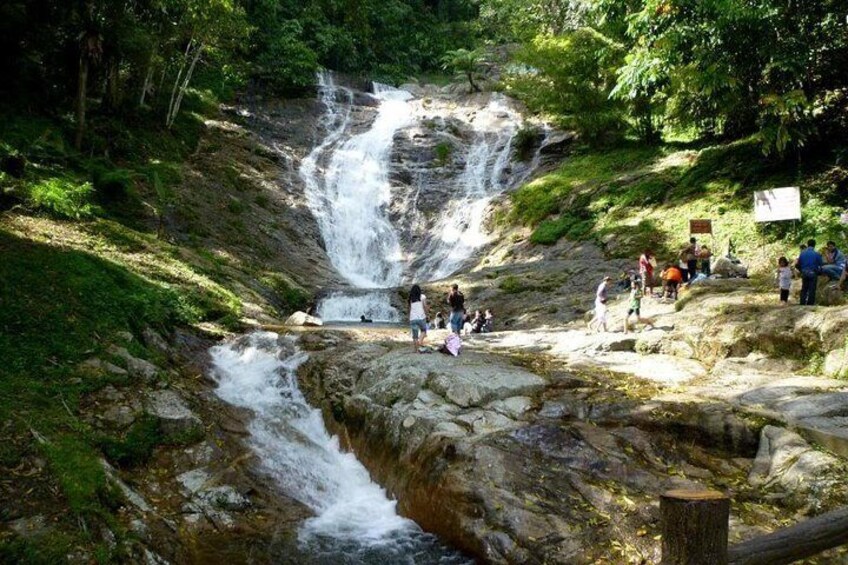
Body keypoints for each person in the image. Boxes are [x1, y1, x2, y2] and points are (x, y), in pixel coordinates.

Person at [796, 239, 823, 305]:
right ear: (814, 245)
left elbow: (798, 263)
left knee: (804, 288)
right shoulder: (816, 254)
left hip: (804, 272)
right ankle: (810, 303)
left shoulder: (802, 253)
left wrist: (801, 270)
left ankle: (802, 302)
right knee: (812, 288)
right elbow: (821, 264)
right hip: (813, 272)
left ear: (807, 244)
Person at [408, 284, 429, 352]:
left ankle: (416, 350)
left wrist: (409, 317)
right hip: (421, 317)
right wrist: (427, 314)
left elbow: (410, 309)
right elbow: (425, 306)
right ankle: (420, 342)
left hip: (413, 318)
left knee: (415, 336)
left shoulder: (411, 298)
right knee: (423, 331)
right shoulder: (423, 297)